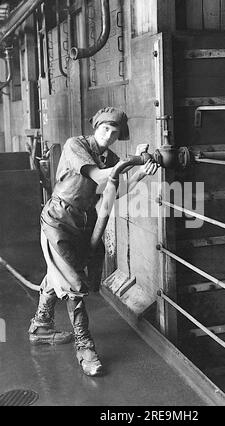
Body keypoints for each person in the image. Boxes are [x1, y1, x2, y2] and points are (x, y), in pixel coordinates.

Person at [28, 107, 158, 377]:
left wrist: (139, 173)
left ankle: (41, 326)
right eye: (105, 129)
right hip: (57, 220)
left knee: (59, 272)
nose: (109, 136)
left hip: (81, 225)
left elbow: (113, 193)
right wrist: (129, 162)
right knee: (74, 283)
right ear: (96, 126)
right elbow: (100, 177)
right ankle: (85, 347)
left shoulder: (110, 157)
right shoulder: (76, 145)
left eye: (115, 133)